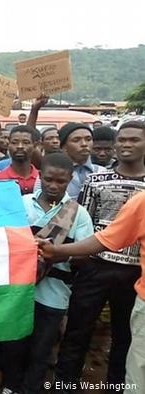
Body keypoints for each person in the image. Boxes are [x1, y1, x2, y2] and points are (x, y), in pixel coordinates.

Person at [51, 121, 145, 393]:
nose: (126, 145)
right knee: (77, 331)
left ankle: (116, 385)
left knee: (125, 336)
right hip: (95, 267)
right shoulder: (96, 180)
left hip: (135, 273)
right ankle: (64, 384)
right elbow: (83, 219)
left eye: (134, 140)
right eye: (122, 139)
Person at [2, 152, 94, 394]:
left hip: (54, 294)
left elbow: (85, 254)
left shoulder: (78, 214)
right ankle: (10, 386)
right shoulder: (21, 205)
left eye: (61, 181)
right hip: (18, 290)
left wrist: (56, 253)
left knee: (41, 349)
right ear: (40, 176)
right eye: (49, 179)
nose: (54, 186)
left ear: (70, 179)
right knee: (14, 344)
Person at [37, 191, 145, 394]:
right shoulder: (142, 202)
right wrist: (58, 251)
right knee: (140, 377)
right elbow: (105, 239)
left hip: (131, 283)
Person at [33, 123, 105, 200]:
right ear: (63, 146)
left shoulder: (103, 173)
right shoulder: (49, 174)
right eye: (76, 140)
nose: (84, 144)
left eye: (88, 139)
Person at [0, 126, 41, 195]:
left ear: (34, 145)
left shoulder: (42, 179)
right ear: (9, 145)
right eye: (14, 142)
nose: (20, 146)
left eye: (26, 142)